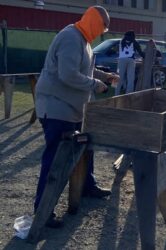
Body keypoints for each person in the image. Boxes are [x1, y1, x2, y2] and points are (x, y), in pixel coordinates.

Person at [34, 5, 119, 228]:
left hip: (71, 108)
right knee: (55, 161)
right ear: (94, 22)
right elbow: (68, 75)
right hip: (56, 108)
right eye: (101, 28)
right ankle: (43, 211)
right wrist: (95, 84)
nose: (101, 33)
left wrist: (104, 76)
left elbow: (85, 69)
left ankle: (86, 186)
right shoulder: (71, 38)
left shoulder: (83, 41)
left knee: (84, 147)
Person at [115, 30, 145, 95]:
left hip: (121, 60)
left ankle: (116, 93)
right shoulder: (135, 42)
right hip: (131, 60)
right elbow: (140, 52)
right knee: (130, 78)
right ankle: (128, 94)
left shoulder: (121, 41)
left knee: (118, 77)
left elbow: (117, 50)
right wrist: (145, 56)